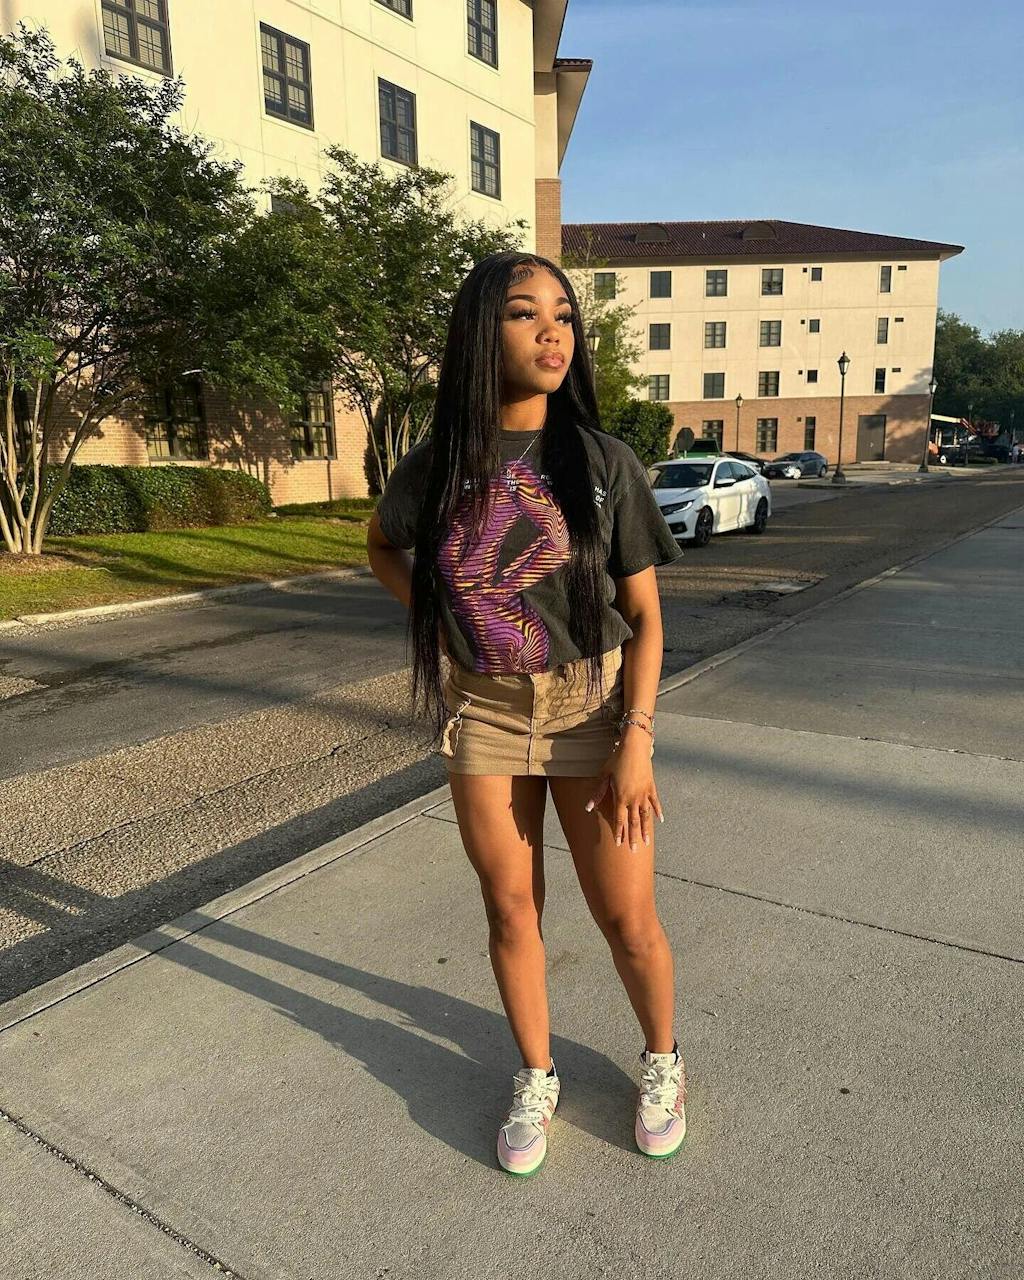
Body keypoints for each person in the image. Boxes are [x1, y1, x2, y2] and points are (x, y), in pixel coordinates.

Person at [367, 250, 687, 1177]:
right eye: (523, 312)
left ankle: (663, 1061)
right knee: (511, 910)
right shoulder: (438, 465)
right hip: (486, 713)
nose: (553, 331)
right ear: (482, 332)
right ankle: (538, 1074)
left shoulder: (602, 461)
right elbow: (383, 544)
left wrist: (636, 740)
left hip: (594, 711)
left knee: (627, 917)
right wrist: (440, 617)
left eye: (564, 314)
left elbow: (649, 618)